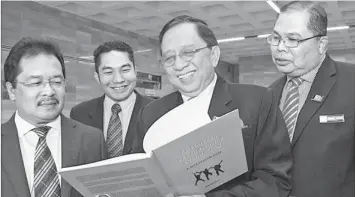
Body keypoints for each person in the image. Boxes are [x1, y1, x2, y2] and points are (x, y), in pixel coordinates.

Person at [132, 15, 293, 197]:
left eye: (188, 53)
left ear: (214, 55)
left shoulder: (257, 101)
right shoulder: (150, 114)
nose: (179, 65)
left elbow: (275, 181)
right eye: (169, 58)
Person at [268, 1, 355, 197]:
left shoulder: (351, 83)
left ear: (321, 44)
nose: (280, 48)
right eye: (276, 37)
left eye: (292, 39)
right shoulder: (270, 94)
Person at [1, 37, 107, 197]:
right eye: (36, 83)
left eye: (57, 81)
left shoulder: (91, 140)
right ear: (11, 90)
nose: (49, 91)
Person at [70, 41, 152, 158]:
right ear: (97, 77)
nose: (118, 79)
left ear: (135, 71)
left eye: (125, 70)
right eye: (108, 72)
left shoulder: (155, 111)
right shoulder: (80, 114)